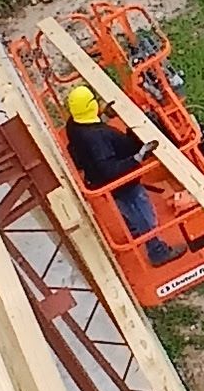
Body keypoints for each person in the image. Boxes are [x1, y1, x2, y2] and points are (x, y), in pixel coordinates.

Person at [64, 85, 176, 266]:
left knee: (126, 208)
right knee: (143, 213)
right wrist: (138, 156)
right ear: (90, 106)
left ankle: (132, 229)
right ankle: (157, 252)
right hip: (121, 182)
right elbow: (110, 169)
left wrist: (106, 115)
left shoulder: (74, 124)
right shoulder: (99, 137)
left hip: (97, 178)